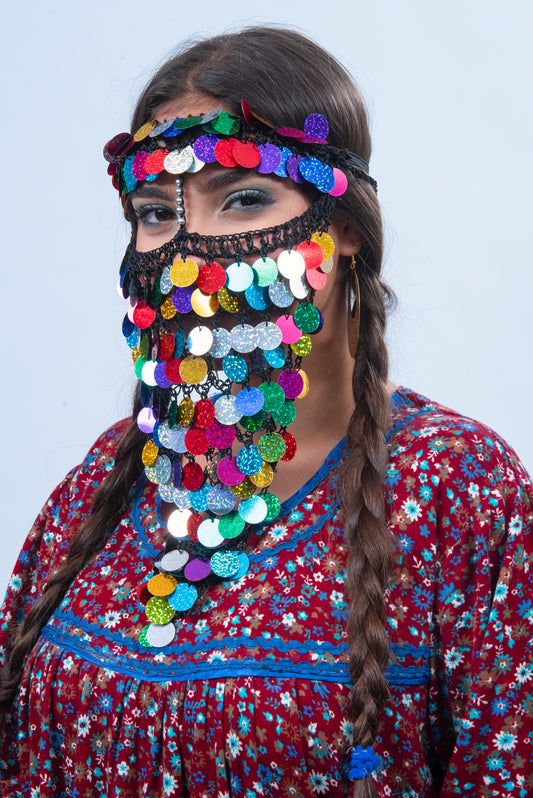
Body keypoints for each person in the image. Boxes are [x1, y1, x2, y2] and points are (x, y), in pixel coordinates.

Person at [0, 25, 532, 798]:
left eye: (243, 199)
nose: (186, 251)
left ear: (344, 226)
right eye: (155, 212)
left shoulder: (460, 488)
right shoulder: (108, 478)